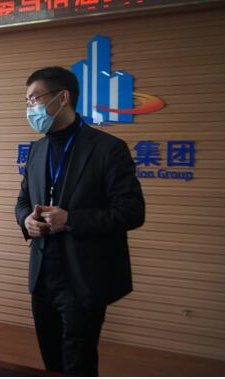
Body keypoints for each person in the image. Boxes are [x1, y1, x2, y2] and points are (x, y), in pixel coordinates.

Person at [16, 66, 145, 376]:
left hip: (83, 277)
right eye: (27, 101)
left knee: (79, 362)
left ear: (62, 98)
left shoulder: (108, 149)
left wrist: (71, 219)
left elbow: (131, 211)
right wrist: (26, 221)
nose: (30, 108)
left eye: (35, 99)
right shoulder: (37, 150)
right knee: (51, 359)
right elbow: (22, 202)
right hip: (42, 275)